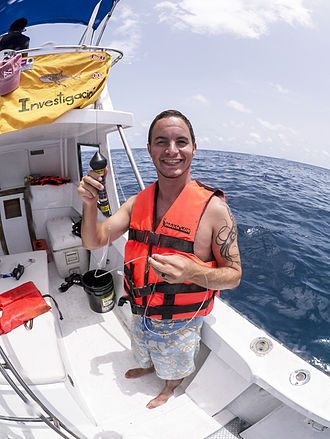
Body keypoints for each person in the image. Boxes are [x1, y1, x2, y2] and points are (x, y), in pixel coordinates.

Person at [78, 109, 242, 409]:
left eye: (181, 141)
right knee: (142, 349)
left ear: (194, 147)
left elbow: (234, 275)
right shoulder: (136, 202)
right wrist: (89, 204)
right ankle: (148, 366)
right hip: (140, 308)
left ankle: (170, 387)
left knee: (173, 365)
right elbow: (94, 240)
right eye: (161, 142)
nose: (172, 150)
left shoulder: (216, 209)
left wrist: (193, 272)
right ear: (150, 149)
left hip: (179, 320)